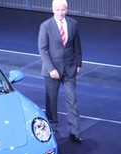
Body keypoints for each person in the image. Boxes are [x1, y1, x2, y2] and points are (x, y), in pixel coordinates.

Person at [38, 0, 83, 142]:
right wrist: (51, 69)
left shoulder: (73, 24)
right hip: (52, 71)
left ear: (66, 10)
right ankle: (51, 127)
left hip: (69, 69)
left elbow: (77, 45)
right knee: (51, 101)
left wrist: (78, 63)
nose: (60, 13)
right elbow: (43, 49)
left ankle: (75, 131)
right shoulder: (45, 26)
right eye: (57, 10)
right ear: (53, 10)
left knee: (72, 100)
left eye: (63, 10)